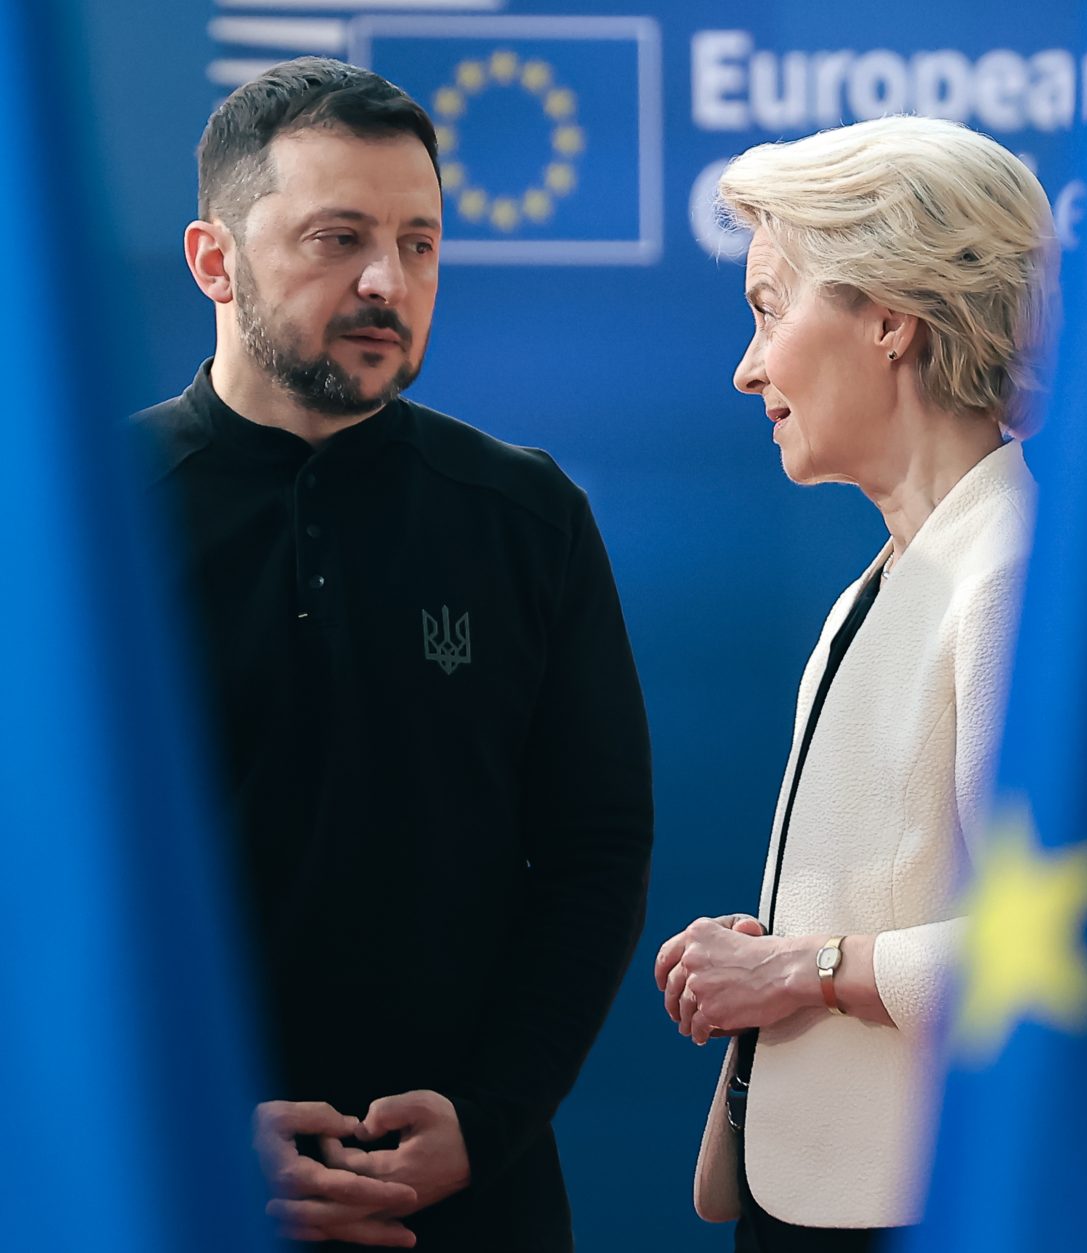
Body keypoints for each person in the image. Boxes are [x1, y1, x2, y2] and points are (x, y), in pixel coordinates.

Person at [133, 58, 652, 1250]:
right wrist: (193, 1119)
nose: (387, 281)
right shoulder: (75, 525)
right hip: (168, 1186)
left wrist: (490, 1115)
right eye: (338, 238)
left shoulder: (526, 515)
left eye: (420, 243)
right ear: (214, 260)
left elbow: (595, 852)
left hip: (476, 1203)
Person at [654, 115, 1058, 1248]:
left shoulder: (1008, 572)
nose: (747, 366)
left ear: (888, 317)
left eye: (769, 307)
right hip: (821, 1197)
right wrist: (792, 938)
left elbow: (1067, 942)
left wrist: (807, 964)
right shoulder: (889, 578)